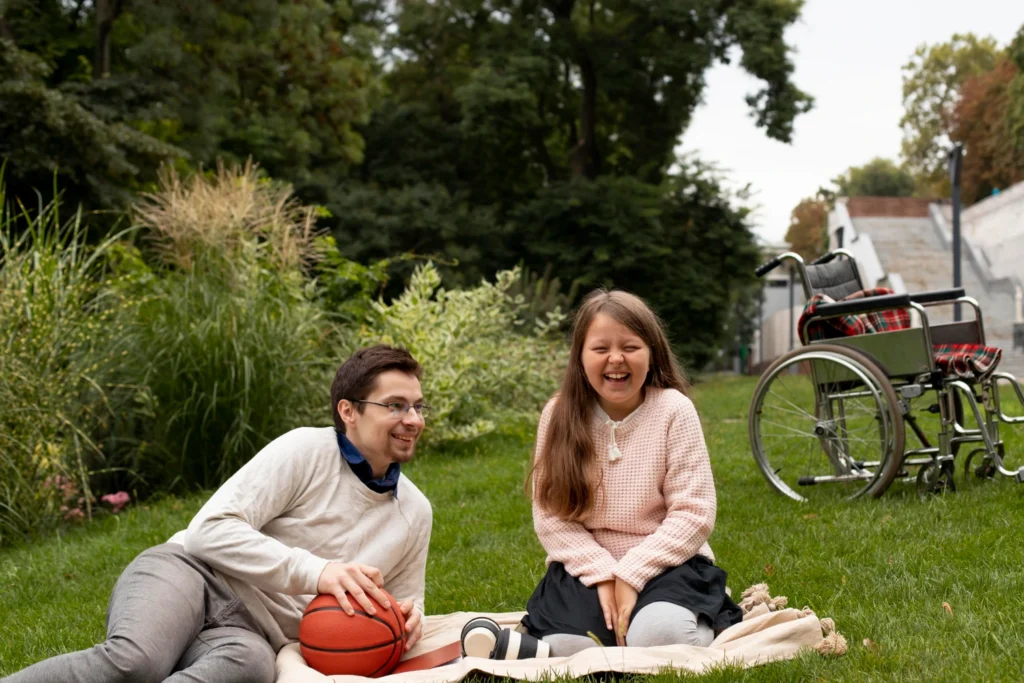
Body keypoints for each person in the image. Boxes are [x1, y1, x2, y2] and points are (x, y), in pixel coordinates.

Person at [4, 344, 433, 683]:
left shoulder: (414, 512)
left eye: (417, 406)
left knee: (248, 670)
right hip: (193, 574)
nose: (412, 419)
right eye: (395, 405)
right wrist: (317, 572)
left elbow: (404, 603)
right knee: (136, 664)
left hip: (252, 636)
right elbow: (206, 531)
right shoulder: (307, 450)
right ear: (348, 411)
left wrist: (405, 621)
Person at [521, 290, 742, 656]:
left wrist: (633, 573)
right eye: (600, 348)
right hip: (586, 568)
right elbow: (551, 519)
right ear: (580, 356)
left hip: (669, 562)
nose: (616, 359)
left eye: (631, 346)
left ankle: (700, 618)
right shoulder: (557, 415)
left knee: (659, 638)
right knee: (569, 648)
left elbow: (694, 513)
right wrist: (604, 574)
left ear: (652, 352)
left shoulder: (674, 410)